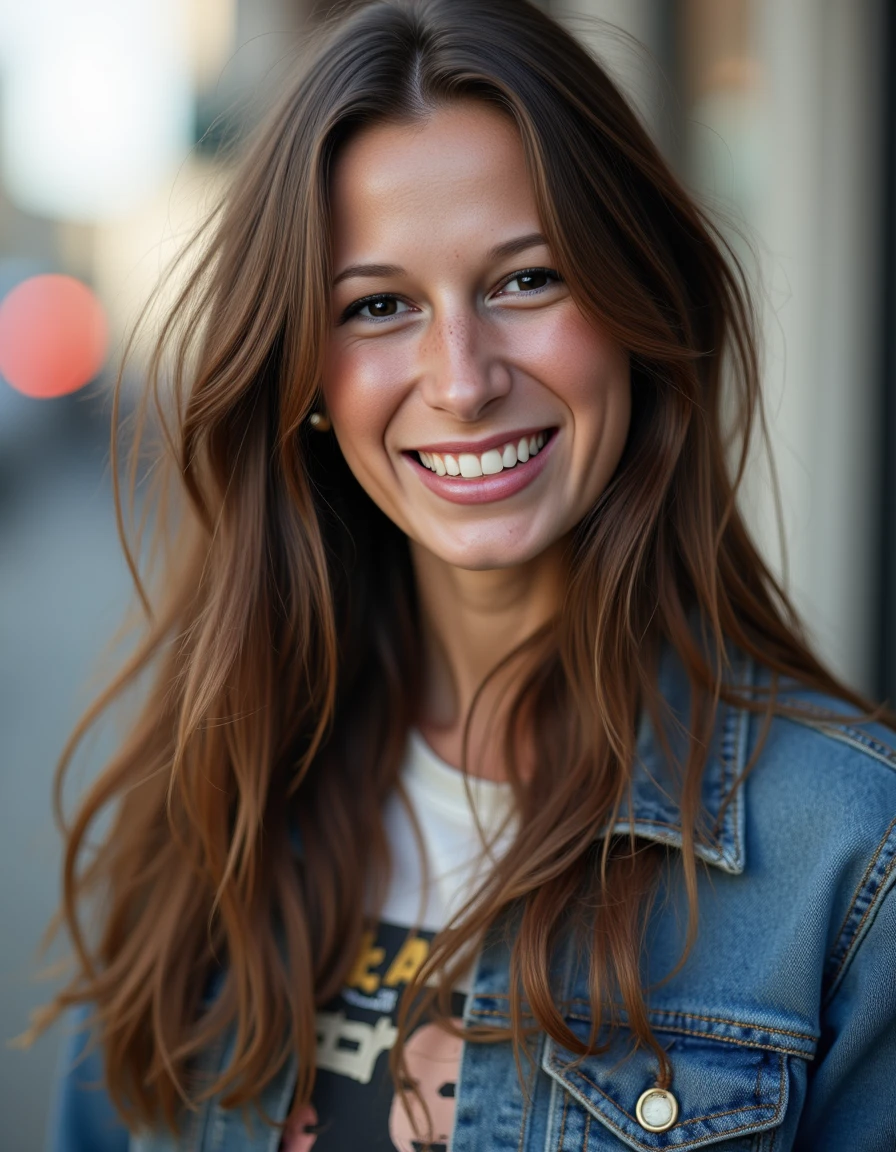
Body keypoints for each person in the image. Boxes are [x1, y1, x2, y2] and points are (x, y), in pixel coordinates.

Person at [34, 1, 896, 1149]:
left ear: (637, 311)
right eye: (378, 306)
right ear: (302, 375)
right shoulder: (219, 785)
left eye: (525, 280)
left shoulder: (845, 858)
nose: (461, 378)